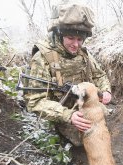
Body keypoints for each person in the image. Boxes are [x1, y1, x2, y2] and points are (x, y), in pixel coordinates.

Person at [24, 3, 112, 146]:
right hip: (63, 110)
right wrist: (68, 116)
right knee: (81, 140)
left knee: (104, 119)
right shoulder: (43, 58)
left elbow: (99, 75)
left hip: (87, 104)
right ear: (60, 34)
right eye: (71, 38)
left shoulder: (84, 54)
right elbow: (35, 101)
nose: (76, 45)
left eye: (80, 40)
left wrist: (106, 90)